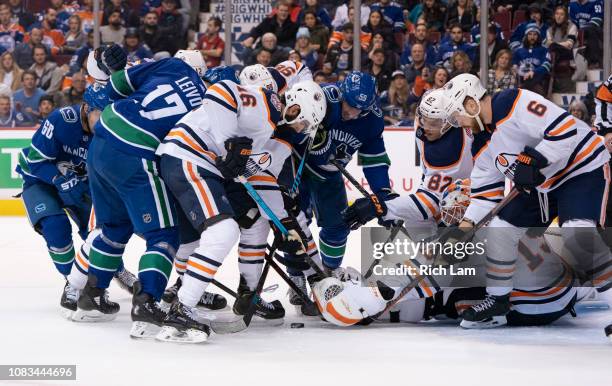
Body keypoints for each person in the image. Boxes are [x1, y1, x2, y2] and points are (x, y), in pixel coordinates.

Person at [427, 73, 612, 328]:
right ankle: (498, 300)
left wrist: (536, 158)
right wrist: (464, 230)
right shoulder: (480, 143)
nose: (457, 123)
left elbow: (566, 129)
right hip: (543, 185)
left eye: (456, 115)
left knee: (577, 235)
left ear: (471, 104)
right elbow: (484, 196)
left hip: (580, 168)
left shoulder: (514, 102)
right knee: (500, 229)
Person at [155, 80, 327, 342]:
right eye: (304, 123)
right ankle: (183, 305)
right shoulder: (268, 106)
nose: (302, 130)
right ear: (295, 109)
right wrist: (228, 143)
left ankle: (237, 295)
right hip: (188, 156)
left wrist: (283, 222)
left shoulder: (274, 136)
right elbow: (220, 91)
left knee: (248, 224)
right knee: (223, 232)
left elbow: (261, 178)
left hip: (197, 163)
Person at [78, 49, 207, 336]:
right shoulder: (208, 105)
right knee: (164, 234)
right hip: (135, 152)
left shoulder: (170, 64)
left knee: (114, 227)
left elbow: (113, 87)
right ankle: (147, 301)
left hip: (101, 140)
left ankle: (91, 295)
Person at [285, 72, 392, 287]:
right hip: (298, 165)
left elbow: (374, 160)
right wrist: (308, 141)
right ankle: (296, 278)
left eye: (357, 109)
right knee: (295, 224)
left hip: (329, 174)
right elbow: (290, 128)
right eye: (347, 104)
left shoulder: (372, 121)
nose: (350, 112)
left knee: (339, 225)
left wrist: (383, 194)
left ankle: (329, 273)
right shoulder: (321, 96)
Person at [14, 103, 94, 317]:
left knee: (98, 230)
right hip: (42, 181)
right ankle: (73, 283)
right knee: (55, 227)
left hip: (80, 183)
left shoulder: (111, 127)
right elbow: (36, 161)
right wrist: (58, 179)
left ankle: (117, 270)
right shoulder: (62, 119)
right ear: (87, 110)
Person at [513, 25, 551, 96]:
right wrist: (515, 68)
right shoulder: (518, 50)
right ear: (526, 36)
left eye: (535, 34)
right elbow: (514, 65)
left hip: (538, 79)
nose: (532, 37)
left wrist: (534, 72)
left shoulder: (544, 49)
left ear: (538, 36)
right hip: (521, 79)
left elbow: (547, 65)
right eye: (530, 34)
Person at [569, 0, 603, 68]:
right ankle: (572, 62)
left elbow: (597, 21)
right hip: (579, 30)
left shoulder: (595, 2)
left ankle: (594, 61)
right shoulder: (572, 4)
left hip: (594, 29)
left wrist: (581, 29)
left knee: (591, 30)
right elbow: (572, 22)